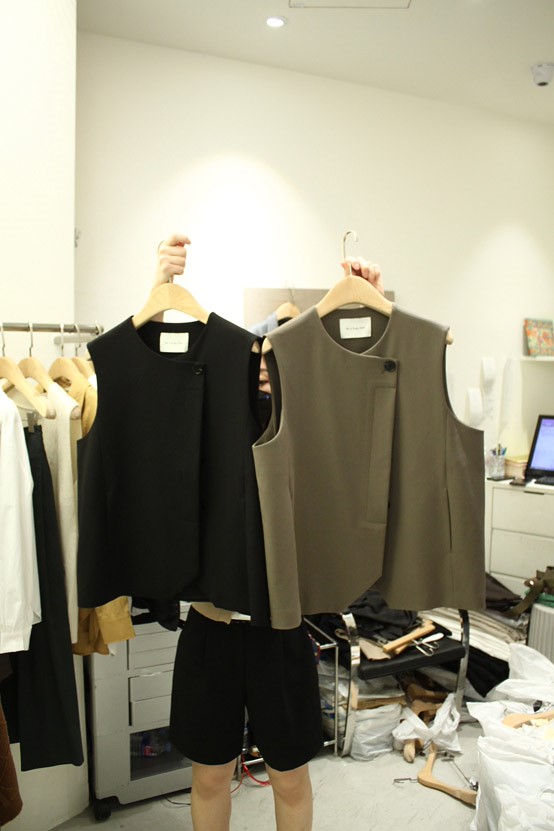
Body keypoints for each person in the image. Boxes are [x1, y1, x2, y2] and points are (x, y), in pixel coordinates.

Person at [153, 233, 385, 831]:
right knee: (209, 775)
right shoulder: (212, 419)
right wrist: (161, 286)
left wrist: (368, 301)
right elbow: (162, 379)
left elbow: (365, 399)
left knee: (290, 776)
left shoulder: (313, 433)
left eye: (282, 352)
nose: (265, 362)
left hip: (281, 630)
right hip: (212, 626)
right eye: (258, 350)